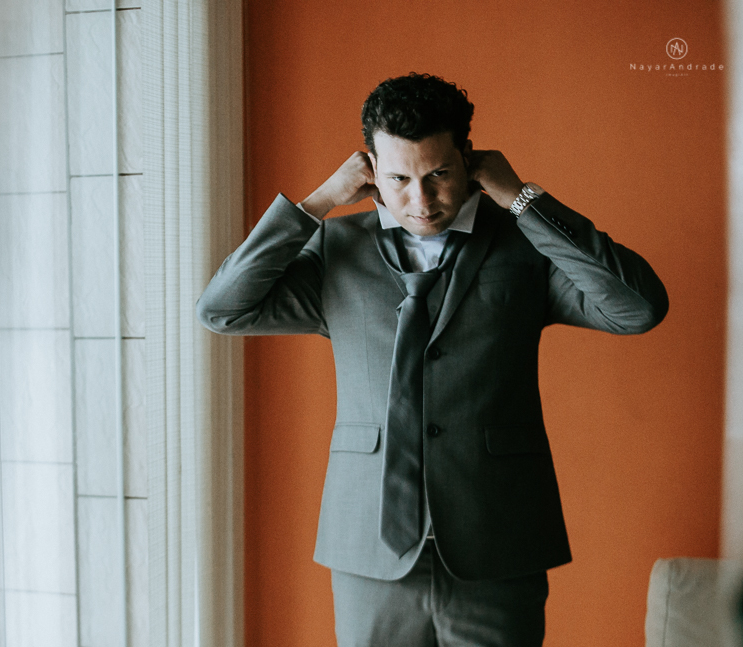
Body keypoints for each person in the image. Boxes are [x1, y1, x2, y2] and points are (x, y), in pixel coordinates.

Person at [196, 73, 668, 647]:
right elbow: (222, 310)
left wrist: (522, 199)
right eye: (398, 178)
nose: (420, 201)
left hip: (497, 542)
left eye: (438, 174)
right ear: (370, 167)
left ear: (467, 160)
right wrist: (317, 203)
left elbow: (638, 308)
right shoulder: (335, 251)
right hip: (369, 546)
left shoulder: (525, 243)